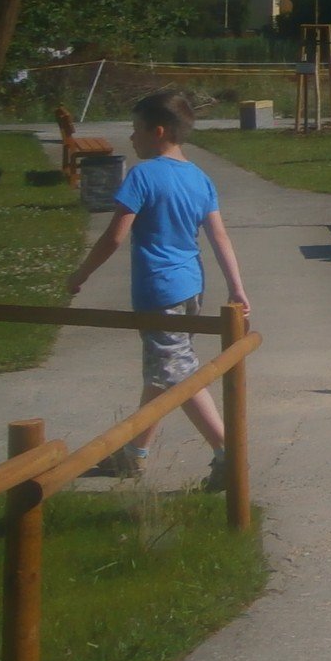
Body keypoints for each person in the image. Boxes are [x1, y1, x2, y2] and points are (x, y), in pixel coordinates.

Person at [64, 90, 248, 486]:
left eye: (136, 130)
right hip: (190, 289)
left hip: (158, 290)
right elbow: (219, 237)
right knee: (164, 369)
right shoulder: (199, 177)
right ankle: (134, 454)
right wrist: (236, 287)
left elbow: (114, 236)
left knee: (178, 373)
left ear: (158, 131)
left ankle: (228, 453)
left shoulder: (142, 175)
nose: (131, 138)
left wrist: (80, 275)